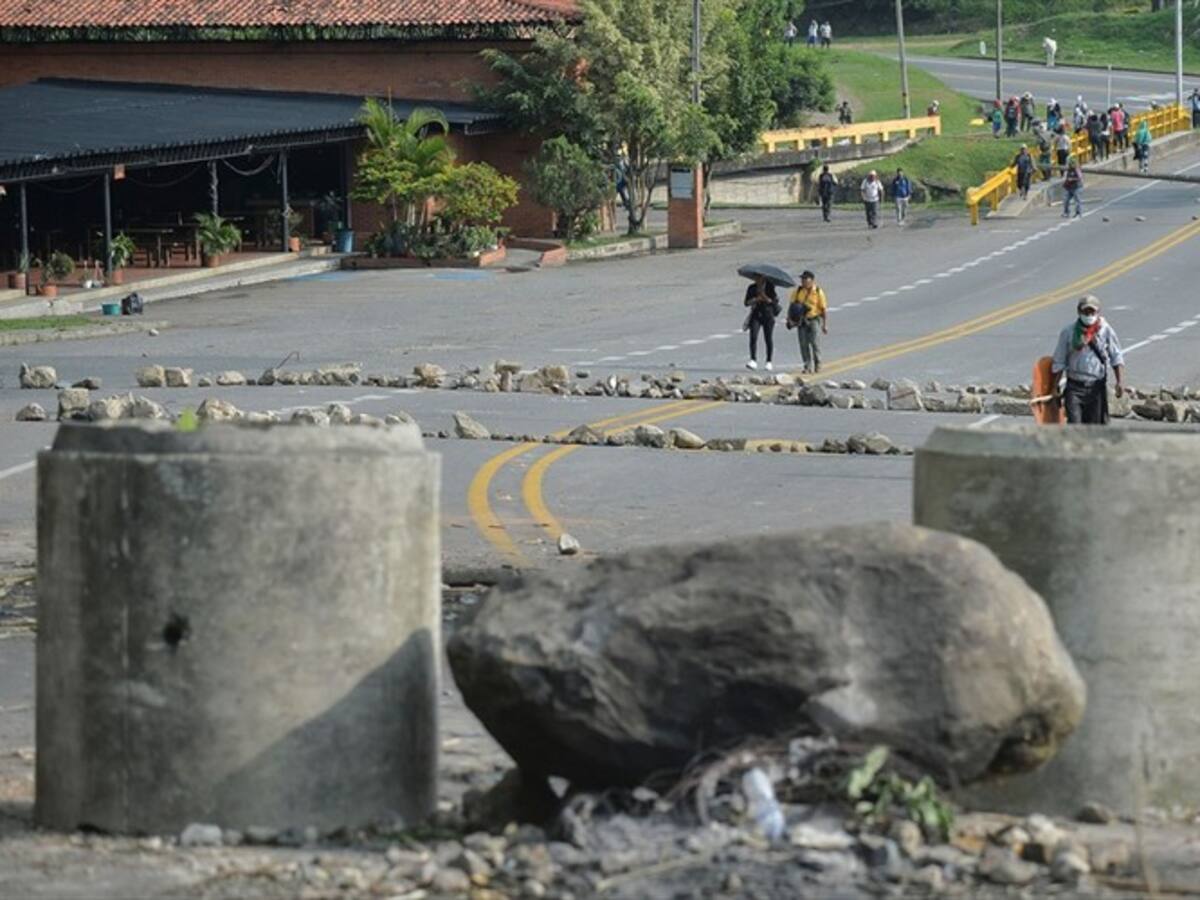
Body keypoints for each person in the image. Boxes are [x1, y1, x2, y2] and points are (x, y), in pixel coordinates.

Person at [1051, 296, 1125, 425]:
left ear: (1098, 312)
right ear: (1079, 312)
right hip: (1074, 387)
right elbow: (1059, 361)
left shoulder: (1105, 330)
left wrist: (1120, 382)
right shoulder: (1068, 332)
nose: (1089, 315)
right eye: (1086, 312)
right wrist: (1054, 386)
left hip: (1096, 388)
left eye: (1092, 312)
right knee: (1075, 426)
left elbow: (1116, 356)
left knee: (1095, 428)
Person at [786, 270, 829, 374]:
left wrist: (824, 325)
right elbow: (792, 306)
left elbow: (823, 309)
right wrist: (789, 319)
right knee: (803, 344)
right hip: (801, 320)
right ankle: (807, 365)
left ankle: (818, 364)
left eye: (805, 279)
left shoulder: (818, 292)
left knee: (814, 342)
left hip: (814, 319)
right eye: (802, 279)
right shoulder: (798, 291)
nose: (803, 281)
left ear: (812, 280)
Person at [743, 275, 780, 371]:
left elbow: (774, 302)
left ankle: (769, 361)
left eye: (760, 278)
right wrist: (756, 299)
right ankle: (753, 359)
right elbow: (746, 302)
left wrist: (765, 297)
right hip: (756, 314)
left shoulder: (770, 287)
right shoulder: (751, 288)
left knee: (768, 338)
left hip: (768, 315)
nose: (758, 280)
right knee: (753, 336)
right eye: (756, 278)